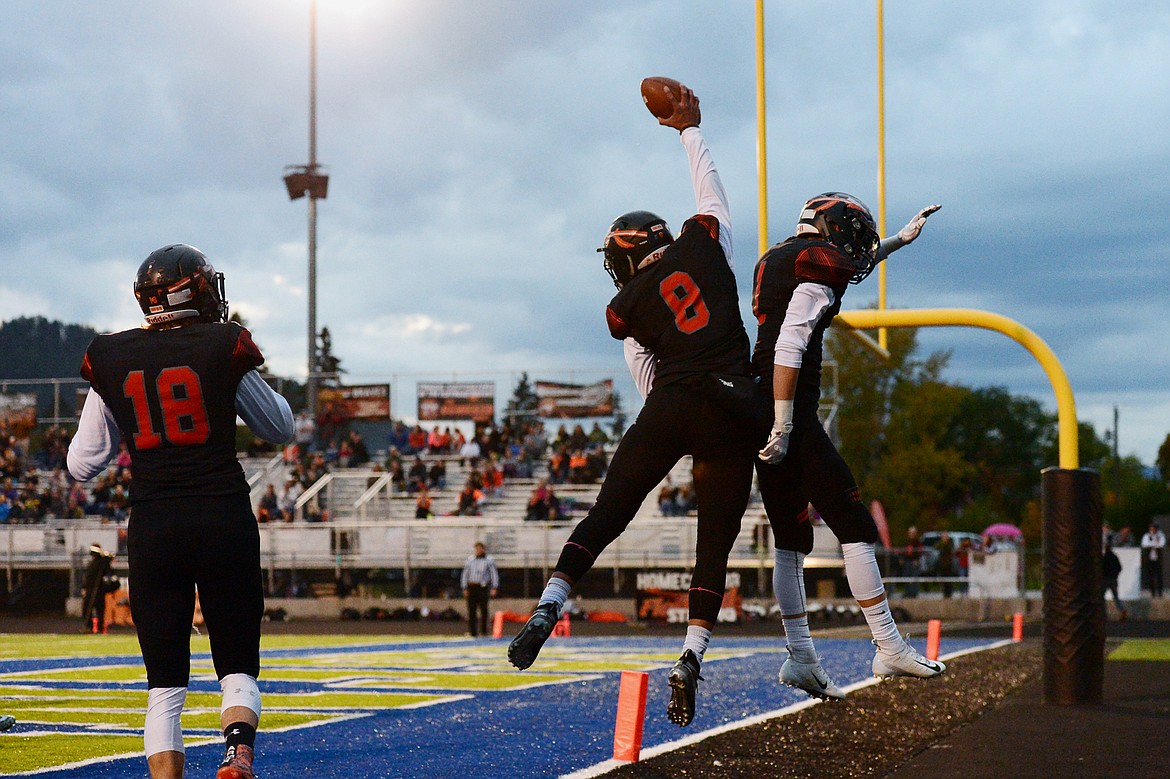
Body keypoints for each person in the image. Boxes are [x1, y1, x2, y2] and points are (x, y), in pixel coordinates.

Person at [508, 82, 760, 728]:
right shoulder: (707, 242)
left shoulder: (627, 308)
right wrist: (689, 130)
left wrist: (673, 426)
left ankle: (549, 604)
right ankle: (690, 656)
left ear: (622, 259)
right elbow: (712, 195)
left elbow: (649, 382)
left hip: (676, 399)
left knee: (611, 508)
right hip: (737, 405)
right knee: (715, 542)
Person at [66, 244, 294, 779]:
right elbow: (280, 427)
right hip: (222, 515)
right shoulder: (221, 344)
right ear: (194, 289)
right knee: (236, 662)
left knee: (164, 684)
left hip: (155, 523)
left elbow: (82, 465)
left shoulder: (113, 356)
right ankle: (237, 750)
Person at [751, 193, 945, 700]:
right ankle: (888, 645)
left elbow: (837, 274)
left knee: (790, 542)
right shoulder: (818, 262)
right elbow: (792, 340)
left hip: (761, 404)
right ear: (830, 228)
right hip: (787, 407)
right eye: (853, 236)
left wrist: (899, 242)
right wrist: (786, 422)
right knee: (855, 524)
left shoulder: (781, 256)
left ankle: (801, 658)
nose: (857, 250)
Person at [461, 542, 500, 637]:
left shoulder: (489, 560)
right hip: (472, 587)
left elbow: (493, 574)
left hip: (482, 587)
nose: (478, 551)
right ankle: (472, 632)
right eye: (476, 549)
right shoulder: (470, 560)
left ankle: (484, 631)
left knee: (484, 610)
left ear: (483, 549)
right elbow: (465, 574)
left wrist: (494, 587)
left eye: (479, 549)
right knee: (471, 611)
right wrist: (464, 587)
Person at [80, 543, 116, 633]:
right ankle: (90, 627)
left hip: (98, 589)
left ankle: (98, 628)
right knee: (89, 609)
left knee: (98, 609)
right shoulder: (94, 564)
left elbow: (107, 570)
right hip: (91, 589)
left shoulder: (101, 562)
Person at [1102, 539, 1127, 620]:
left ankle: (1103, 614)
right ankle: (1122, 609)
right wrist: (1115, 575)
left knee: (1101, 597)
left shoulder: (1104, 557)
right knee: (1116, 597)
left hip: (1105, 579)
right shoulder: (1114, 557)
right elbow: (1119, 568)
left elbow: (1102, 568)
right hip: (1113, 579)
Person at [1140, 521, 1166, 598]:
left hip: (1158, 558)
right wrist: (1154, 544)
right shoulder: (1147, 536)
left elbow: (1162, 544)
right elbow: (1144, 544)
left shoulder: (1160, 535)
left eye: (1153, 529)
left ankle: (1160, 593)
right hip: (1149, 558)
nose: (1152, 530)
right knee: (1151, 576)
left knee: (1159, 576)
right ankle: (1153, 593)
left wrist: (1153, 544)